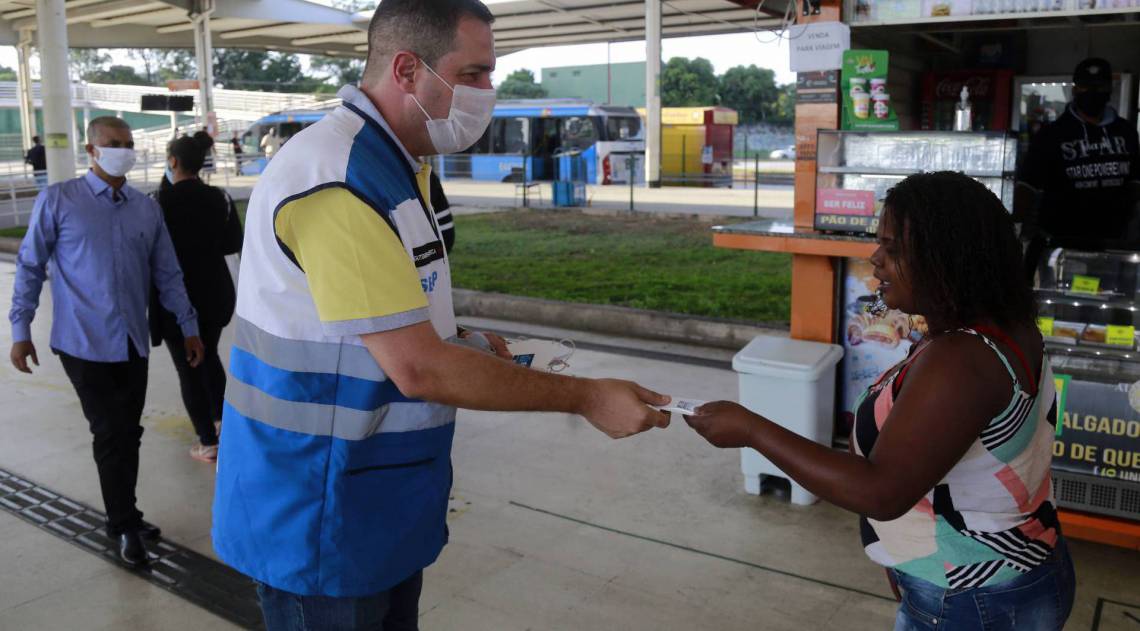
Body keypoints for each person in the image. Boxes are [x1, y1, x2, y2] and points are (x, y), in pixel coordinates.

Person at [211, 2, 669, 629]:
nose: (487, 93)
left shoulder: (398, 165)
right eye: (474, 74)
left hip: (378, 496)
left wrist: (461, 339)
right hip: (318, 507)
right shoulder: (337, 180)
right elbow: (419, 369)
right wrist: (585, 396)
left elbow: (381, 319)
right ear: (406, 69)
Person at [686, 172, 1074, 631]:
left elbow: (881, 491)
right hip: (1008, 573)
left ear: (946, 256)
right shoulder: (997, 327)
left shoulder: (961, 361)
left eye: (893, 249)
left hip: (972, 600)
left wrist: (751, 429)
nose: (876, 260)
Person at [8, 116, 205, 567]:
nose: (124, 149)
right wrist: (21, 331)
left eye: (129, 142)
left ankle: (127, 512)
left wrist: (188, 325)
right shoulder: (60, 200)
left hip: (132, 340)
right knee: (110, 432)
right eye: (114, 143)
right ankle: (123, 526)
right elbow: (30, 265)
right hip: (82, 342)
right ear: (92, 150)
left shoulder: (145, 208)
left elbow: (167, 272)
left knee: (128, 432)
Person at [150, 136, 243, 462]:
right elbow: (233, 243)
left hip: (174, 298)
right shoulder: (220, 197)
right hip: (216, 293)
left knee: (188, 367)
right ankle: (223, 423)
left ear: (172, 161)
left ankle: (207, 440)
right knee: (209, 353)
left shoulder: (157, 201)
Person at [1017, 57, 1140, 279]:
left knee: (1110, 307)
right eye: (1085, 87)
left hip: (1114, 246)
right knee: (1055, 309)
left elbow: (1135, 183)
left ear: (1110, 89)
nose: (1092, 92)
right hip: (1061, 244)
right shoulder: (1051, 135)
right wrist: (1013, 231)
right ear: (1074, 90)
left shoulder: (1126, 132)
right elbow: (1027, 186)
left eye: (1100, 86)